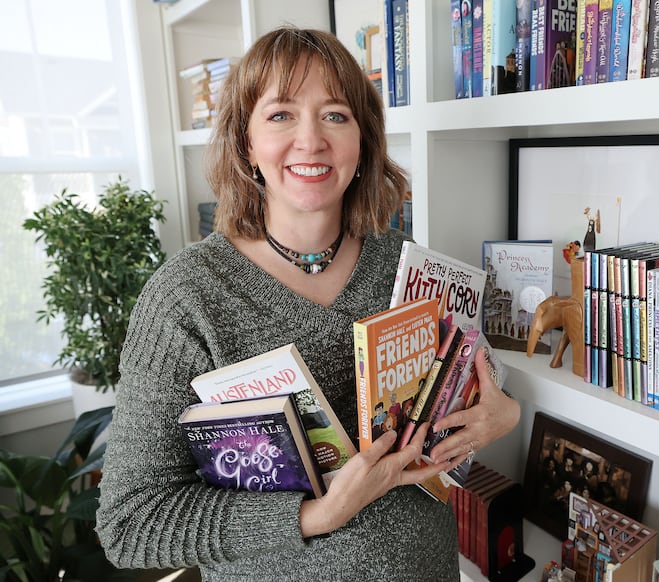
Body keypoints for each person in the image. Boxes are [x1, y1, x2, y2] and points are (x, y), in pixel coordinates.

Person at [96, 26, 520, 582]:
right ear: (245, 142)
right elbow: (131, 525)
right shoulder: (186, 299)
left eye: (335, 115)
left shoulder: (412, 266)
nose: (311, 140)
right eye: (280, 115)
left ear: (363, 141)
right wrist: (320, 513)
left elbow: (462, 390)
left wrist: (502, 413)